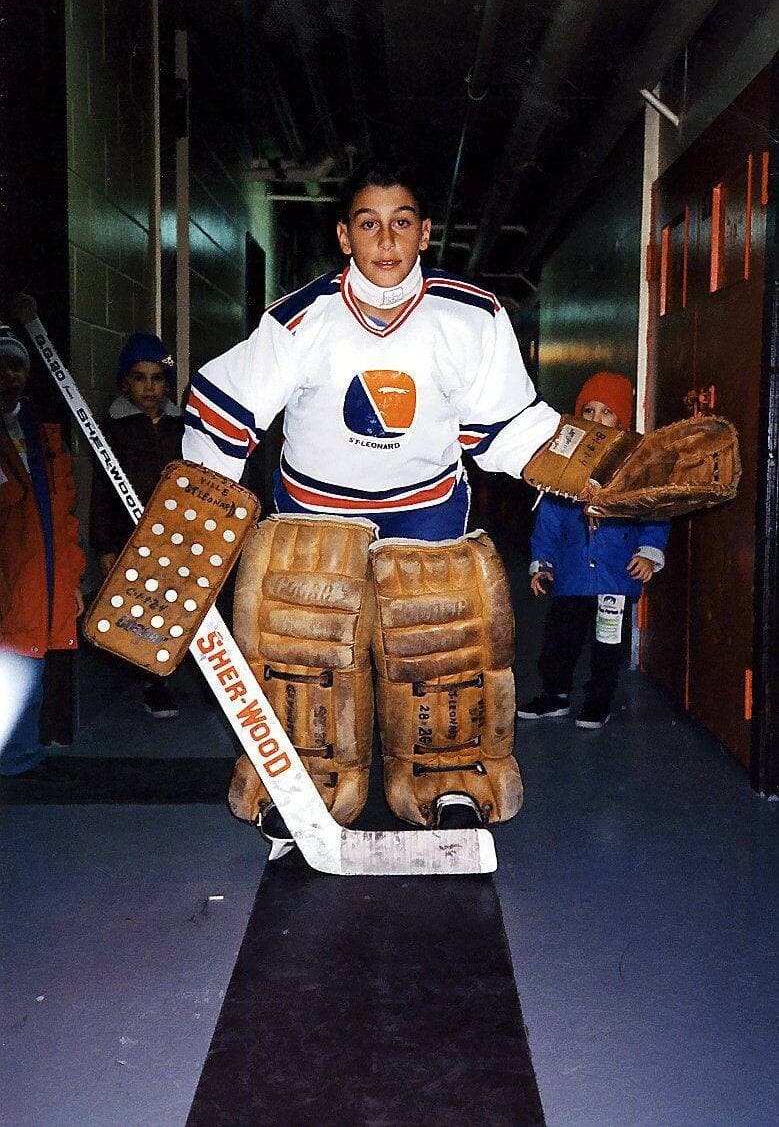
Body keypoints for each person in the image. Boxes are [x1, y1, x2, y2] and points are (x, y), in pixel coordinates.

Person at [182, 156, 561, 839]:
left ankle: (447, 781)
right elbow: (222, 408)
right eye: (368, 224)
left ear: (424, 234)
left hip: (427, 509)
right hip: (316, 513)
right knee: (306, 654)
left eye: (401, 223)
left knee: (441, 648)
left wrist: (587, 468)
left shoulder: (472, 315)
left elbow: (508, 429)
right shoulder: (300, 319)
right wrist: (201, 518)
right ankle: (301, 785)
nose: (385, 241)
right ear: (343, 235)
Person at [516, 371, 671, 730]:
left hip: (615, 573)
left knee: (607, 643)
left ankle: (599, 700)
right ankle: (555, 694)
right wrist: (542, 562)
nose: (597, 419)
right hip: (571, 572)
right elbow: (550, 519)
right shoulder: (565, 464)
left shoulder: (635, 465)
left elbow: (653, 511)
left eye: (607, 413)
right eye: (589, 411)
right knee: (559, 639)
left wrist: (649, 552)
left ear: (621, 420)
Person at [0, 323, 85, 777]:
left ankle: (20, 757)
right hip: (8, 569)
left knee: (27, 654)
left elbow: (64, 515)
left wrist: (71, 579)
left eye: (15, 364)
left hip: (40, 570)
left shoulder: (44, 435)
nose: (8, 374)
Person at [89, 332, 183, 718]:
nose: (149, 387)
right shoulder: (114, 426)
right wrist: (106, 547)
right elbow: (102, 490)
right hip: (132, 535)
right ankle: (153, 682)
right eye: (140, 378)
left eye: (157, 378)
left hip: (177, 535)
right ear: (126, 381)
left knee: (176, 605)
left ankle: (173, 671)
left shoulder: (180, 425)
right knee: (143, 610)